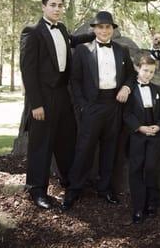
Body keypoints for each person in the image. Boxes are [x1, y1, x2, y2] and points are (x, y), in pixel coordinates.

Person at [20, 0, 95, 209]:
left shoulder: (61, 28)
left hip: (63, 94)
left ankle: (70, 182)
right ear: (43, 6)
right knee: (41, 145)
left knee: (67, 141)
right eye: (52, 4)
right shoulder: (32, 32)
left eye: (60, 5)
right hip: (42, 97)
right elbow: (28, 71)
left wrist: (95, 34)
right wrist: (36, 104)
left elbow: (72, 40)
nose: (57, 8)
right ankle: (36, 190)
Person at [61, 11, 136, 210]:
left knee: (110, 148)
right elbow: (75, 81)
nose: (104, 30)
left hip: (115, 104)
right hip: (92, 106)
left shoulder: (122, 50)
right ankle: (74, 190)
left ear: (113, 29)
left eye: (108, 27)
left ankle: (105, 189)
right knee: (84, 148)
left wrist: (126, 87)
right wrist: (83, 106)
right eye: (100, 27)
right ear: (94, 29)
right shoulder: (83, 50)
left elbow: (131, 75)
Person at [123, 55, 160, 224]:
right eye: (145, 71)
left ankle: (152, 202)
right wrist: (139, 128)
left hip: (154, 134)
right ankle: (138, 207)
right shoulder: (130, 89)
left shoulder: (157, 90)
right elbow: (126, 114)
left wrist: (159, 126)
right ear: (138, 69)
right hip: (137, 135)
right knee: (135, 169)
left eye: (151, 72)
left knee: (150, 167)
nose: (148, 75)